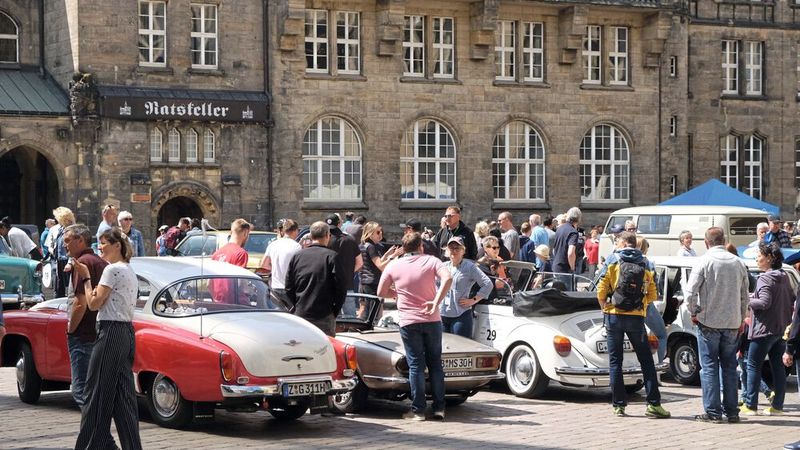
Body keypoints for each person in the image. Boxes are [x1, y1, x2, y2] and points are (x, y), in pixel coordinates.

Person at [72, 227, 142, 450]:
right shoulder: (129, 269)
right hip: (126, 334)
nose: (100, 247)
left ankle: (90, 446)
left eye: (104, 243)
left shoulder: (112, 271)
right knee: (124, 401)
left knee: (96, 396)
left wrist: (86, 278)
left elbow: (93, 304)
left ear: (117, 246)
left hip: (110, 333)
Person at [378, 232, 452, 421]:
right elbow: (448, 278)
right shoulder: (432, 260)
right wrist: (436, 301)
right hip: (432, 318)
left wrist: (396, 293)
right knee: (435, 363)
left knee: (416, 365)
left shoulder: (394, 264)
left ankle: (418, 410)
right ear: (421, 246)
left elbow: (381, 291)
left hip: (409, 321)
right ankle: (439, 408)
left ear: (404, 248)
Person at [595, 231, 670, 419]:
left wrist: (605, 306)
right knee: (646, 360)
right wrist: (640, 304)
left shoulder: (612, 259)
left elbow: (601, 288)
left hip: (613, 315)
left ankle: (619, 405)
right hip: (636, 317)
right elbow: (653, 294)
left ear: (621, 242)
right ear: (635, 244)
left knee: (615, 361)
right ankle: (653, 404)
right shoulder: (645, 262)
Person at [684, 227, 749, 423]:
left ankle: (713, 411)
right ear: (724, 240)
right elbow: (744, 295)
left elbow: (690, 293)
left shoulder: (704, 261)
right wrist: (740, 318)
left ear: (706, 242)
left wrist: (694, 312)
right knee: (729, 367)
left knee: (710, 367)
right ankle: (732, 411)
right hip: (731, 323)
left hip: (709, 321)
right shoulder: (738, 262)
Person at [740, 243, 793, 416]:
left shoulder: (765, 278)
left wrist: (747, 299)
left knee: (753, 366)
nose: (757, 258)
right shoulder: (784, 276)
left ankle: (751, 405)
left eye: (759, 255)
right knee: (778, 367)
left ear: (769, 258)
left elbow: (763, 302)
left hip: (763, 329)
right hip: (780, 329)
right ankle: (778, 406)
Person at [63, 224, 107, 408]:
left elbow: (80, 302)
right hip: (98, 329)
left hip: (83, 332)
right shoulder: (99, 261)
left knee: (81, 390)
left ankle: (95, 432)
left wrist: (71, 329)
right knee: (94, 389)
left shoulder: (83, 263)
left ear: (80, 240)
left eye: (68, 240)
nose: (65, 245)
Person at [285, 221, 346, 336]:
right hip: (324, 314)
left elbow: (288, 287)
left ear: (311, 236)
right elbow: (341, 288)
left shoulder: (298, 256)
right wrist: (334, 310)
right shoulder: (332, 257)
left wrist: (298, 305)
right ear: (328, 235)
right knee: (325, 350)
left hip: (302, 313)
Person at [440, 236, 492, 338]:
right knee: (442, 350)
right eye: (451, 248)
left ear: (463, 251)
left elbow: (487, 284)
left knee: (460, 349)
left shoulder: (469, 267)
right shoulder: (443, 266)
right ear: (447, 250)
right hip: (442, 314)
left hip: (461, 315)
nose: (454, 251)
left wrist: (473, 300)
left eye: (457, 248)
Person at [636, 237, 667, 365]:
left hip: (628, 305)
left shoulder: (623, 260)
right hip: (646, 304)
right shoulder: (648, 263)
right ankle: (658, 365)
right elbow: (653, 284)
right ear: (645, 247)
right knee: (661, 334)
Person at [260, 218, 301, 307]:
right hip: (289, 288)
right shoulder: (296, 246)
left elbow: (264, 264)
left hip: (274, 287)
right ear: (295, 231)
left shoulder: (273, 244)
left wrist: (274, 268)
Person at [358, 222, 400, 295]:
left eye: (381, 231)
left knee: (368, 305)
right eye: (378, 232)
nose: (380, 233)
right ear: (370, 233)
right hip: (372, 282)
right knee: (376, 305)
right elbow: (380, 266)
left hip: (365, 281)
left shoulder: (364, 244)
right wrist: (393, 256)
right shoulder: (371, 247)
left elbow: (376, 263)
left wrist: (387, 254)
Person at [325, 213, 363, 292]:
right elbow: (360, 263)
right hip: (346, 285)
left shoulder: (323, 241)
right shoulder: (349, 239)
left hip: (327, 286)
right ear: (339, 224)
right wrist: (347, 273)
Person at [551, 207, 581, 289]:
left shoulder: (559, 229)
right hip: (565, 269)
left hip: (556, 266)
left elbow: (554, 250)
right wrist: (572, 268)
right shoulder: (573, 232)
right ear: (578, 219)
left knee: (558, 296)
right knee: (569, 297)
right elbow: (571, 253)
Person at [51, 206, 76, 297]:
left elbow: (72, 247)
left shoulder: (71, 229)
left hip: (66, 259)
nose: (55, 218)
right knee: (59, 285)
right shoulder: (61, 228)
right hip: (60, 259)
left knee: (67, 286)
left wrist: (70, 262)